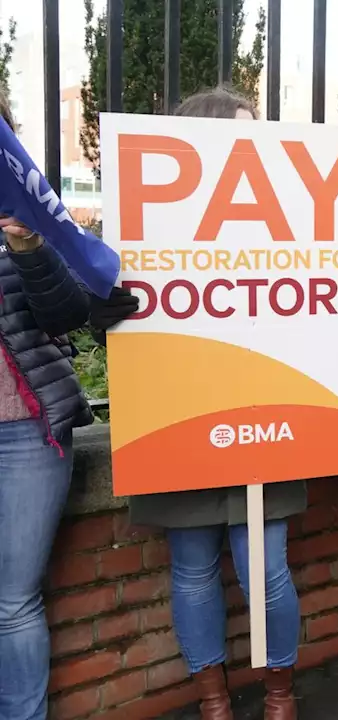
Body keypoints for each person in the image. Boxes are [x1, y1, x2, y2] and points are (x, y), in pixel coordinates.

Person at [113, 88, 301, 720]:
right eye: (241, 135)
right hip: (181, 412)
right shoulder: (144, 222)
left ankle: (280, 693)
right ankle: (213, 702)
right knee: (192, 570)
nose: (254, 147)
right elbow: (108, 306)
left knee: (267, 569)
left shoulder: (292, 217)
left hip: (263, 412)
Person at [0, 93, 94, 720]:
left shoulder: (21, 202)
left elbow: (69, 314)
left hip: (22, 436)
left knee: (12, 602)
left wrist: (30, 248)